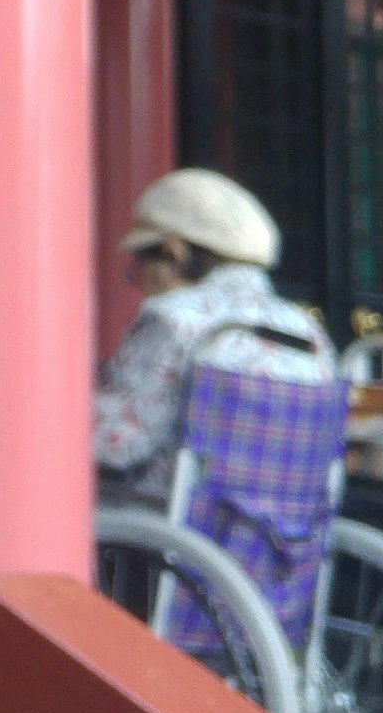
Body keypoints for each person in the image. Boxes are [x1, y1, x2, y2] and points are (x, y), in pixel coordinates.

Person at [92, 169, 328, 503]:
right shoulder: (305, 328)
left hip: (169, 521)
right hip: (278, 531)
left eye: (140, 261)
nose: (137, 278)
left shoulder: (172, 317)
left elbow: (116, 446)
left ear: (174, 254)